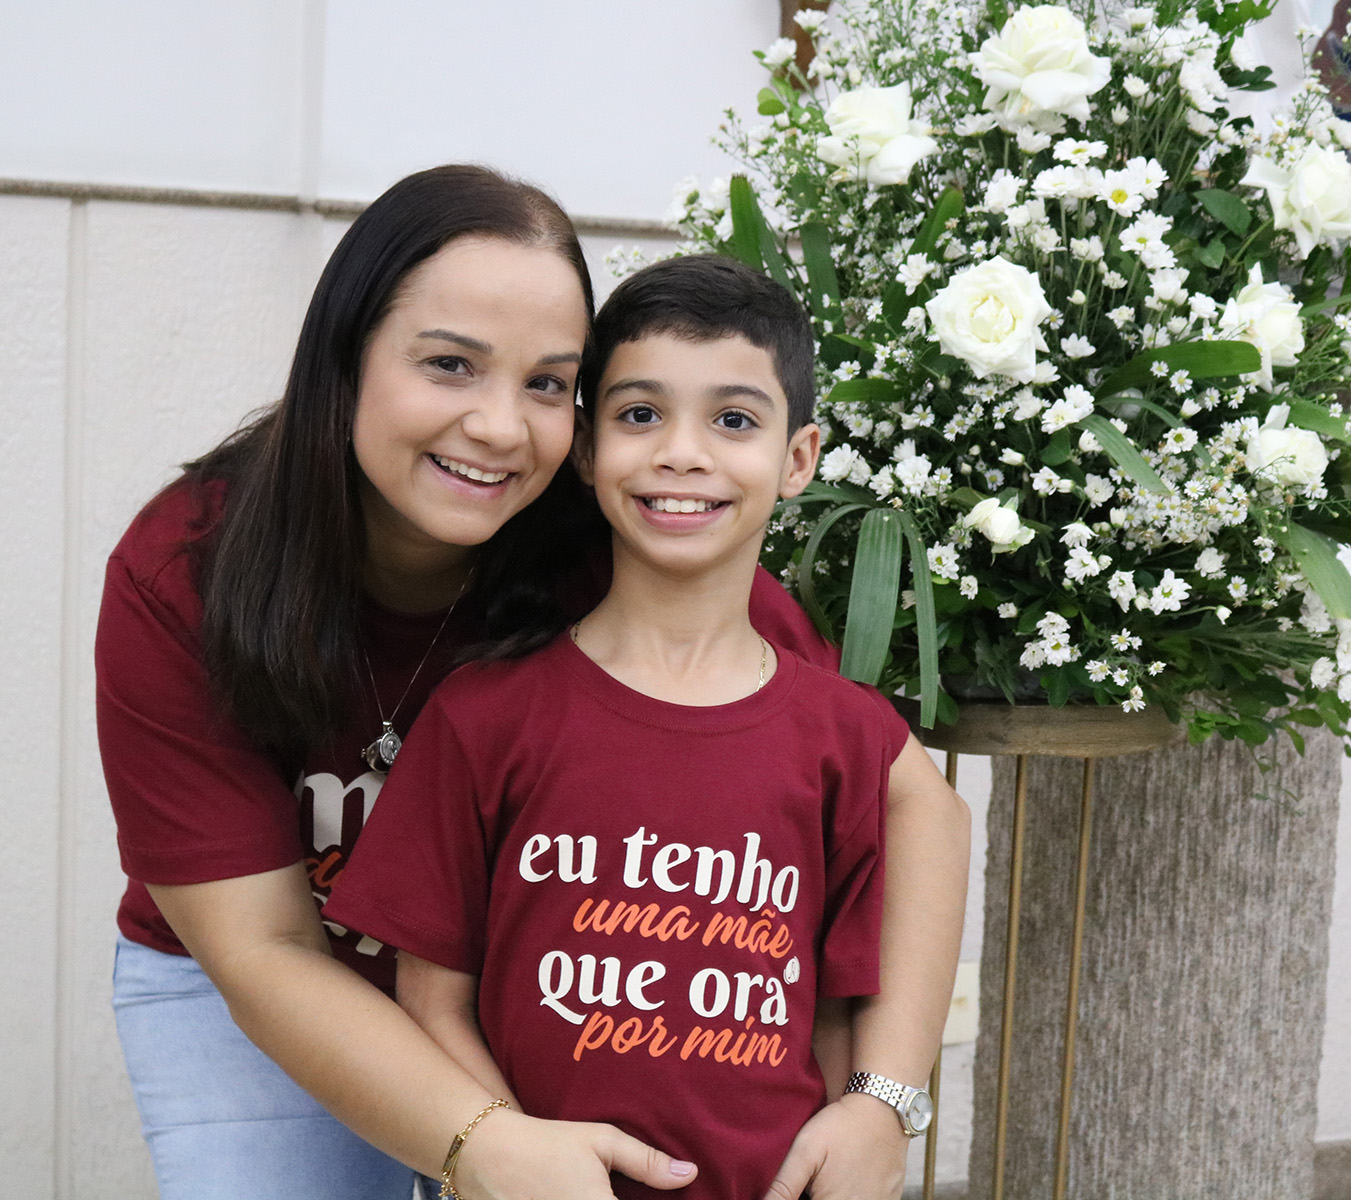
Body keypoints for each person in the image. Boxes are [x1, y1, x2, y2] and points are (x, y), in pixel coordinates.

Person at [96, 164, 969, 1200]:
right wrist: (484, 1141)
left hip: (530, 1004)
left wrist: (885, 1095)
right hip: (263, 977)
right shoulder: (188, 570)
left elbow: (905, 796)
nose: (500, 428)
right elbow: (264, 948)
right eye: (450, 364)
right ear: (345, 358)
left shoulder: (630, 548)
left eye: (547, 384)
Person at [326, 253, 964, 1200]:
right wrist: (510, 1158)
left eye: (734, 420)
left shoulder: (844, 734)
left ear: (798, 459)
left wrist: (882, 1107)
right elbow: (431, 999)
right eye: (639, 415)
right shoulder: (482, 715)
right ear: (586, 450)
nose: (682, 453)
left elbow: (839, 997)